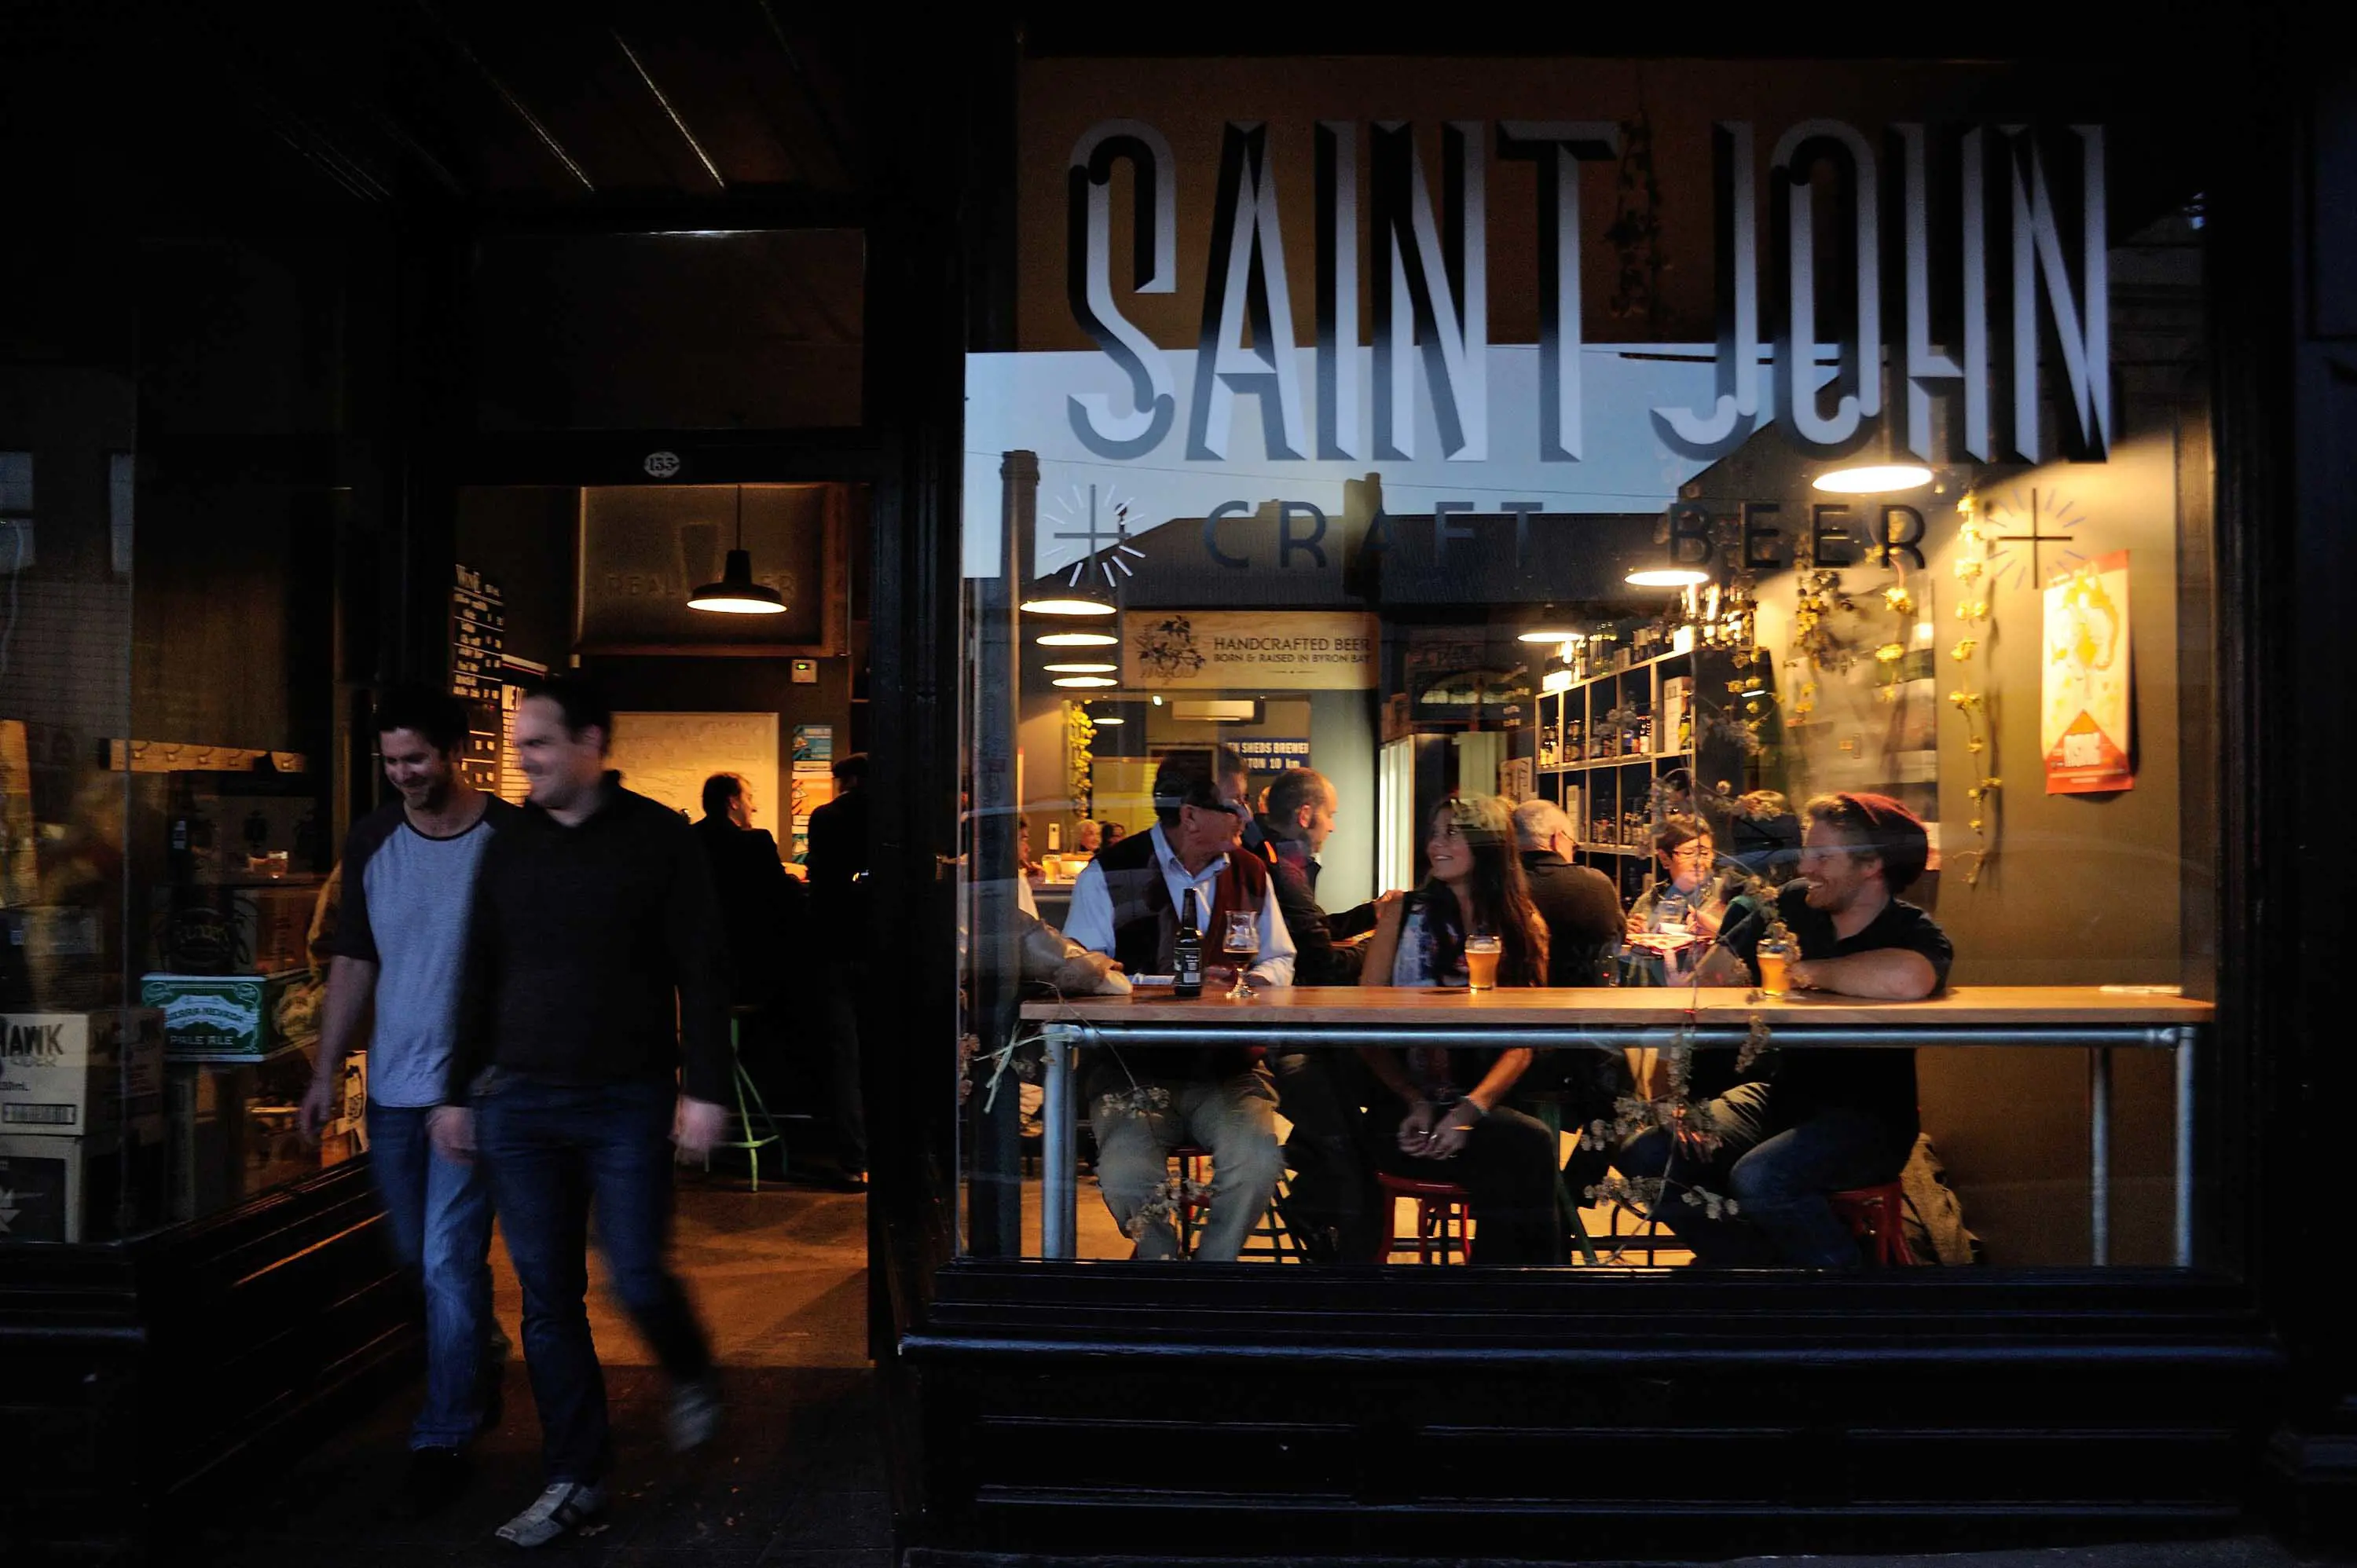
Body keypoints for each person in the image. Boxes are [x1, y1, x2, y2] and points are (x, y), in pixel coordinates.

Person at [433, 677, 731, 1548]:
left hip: (625, 1096)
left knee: (636, 1273)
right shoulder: (511, 841)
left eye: (540, 744)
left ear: (593, 741)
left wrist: (704, 1085)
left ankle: (690, 1366)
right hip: (517, 1100)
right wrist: (456, 1090)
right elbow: (477, 969)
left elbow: (704, 969)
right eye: (519, 745)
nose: (523, 760)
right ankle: (576, 1477)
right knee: (549, 1300)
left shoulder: (658, 838)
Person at [299, 684, 518, 1518]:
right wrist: (325, 1072)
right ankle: (483, 1354)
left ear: (455, 749)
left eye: (417, 759)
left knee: (446, 1260)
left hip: (474, 1092)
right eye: (391, 763)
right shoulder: (374, 838)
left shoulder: (507, 837)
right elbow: (354, 960)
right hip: (393, 1088)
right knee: (412, 1254)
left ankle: (444, 1428)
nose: (404, 776)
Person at [1614, 793, 1952, 1268]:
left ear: (1872, 864)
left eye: (1822, 856)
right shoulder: (1793, 903)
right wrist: (1676, 1087)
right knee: (1648, 1155)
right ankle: (1758, 1272)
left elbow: (1910, 977)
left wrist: (1803, 969)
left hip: (1871, 1120)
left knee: (1761, 1178)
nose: (1805, 864)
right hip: (1781, 1098)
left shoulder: (1909, 928)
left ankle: (1855, 1304)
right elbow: (1711, 978)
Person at [1062, 749, 1294, 1261]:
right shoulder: (1108, 874)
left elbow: (1281, 960)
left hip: (1228, 1069)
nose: (1246, 817)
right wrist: (1169, 986)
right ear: (1190, 814)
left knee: (1258, 1158)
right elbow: (1082, 978)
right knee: (1125, 1173)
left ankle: (1211, 1274)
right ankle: (1160, 1268)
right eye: (1235, 804)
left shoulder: (1252, 872)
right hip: (1133, 1071)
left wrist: (1249, 980)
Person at [1354, 796, 1560, 1265]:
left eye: (1452, 832)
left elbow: (1523, 1042)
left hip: (1485, 1105)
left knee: (1518, 1148)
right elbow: (1364, 1025)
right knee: (1522, 1152)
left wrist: (1471, 1109)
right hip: (1407, 1108)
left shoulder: (1523, 923)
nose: (1435, 844)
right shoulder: (1402, 914)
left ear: (1488, 845)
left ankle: (1507, 1300)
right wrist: (1415, 1100)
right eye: (1434, 832)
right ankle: (1512, 1301)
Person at [1255, 767, 1383, 1261]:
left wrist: (1372, 914)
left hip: (1289, 1033)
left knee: (1353, 1107)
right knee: (1349, 1138)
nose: (1334, 826)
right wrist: (1379, 947)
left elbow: (1313, 929)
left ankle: (1314, 1201)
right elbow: (1319, 959)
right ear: (1306, 815)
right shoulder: (1279, 865)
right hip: (1281, 1040)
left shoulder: (1279, 860)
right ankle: (1339, 1249)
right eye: (1330, 815)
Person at [805, 753, 871, 1188]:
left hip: (834, 947)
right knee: (886, 1051)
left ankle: (855, 1158)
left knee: (845, 1056)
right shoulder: (897, 814)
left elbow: (821, 878)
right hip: (884, 949)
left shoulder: (826, 817)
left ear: (845, 780)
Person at [692, 772, 802, 1009]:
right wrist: (793, 878)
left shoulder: (689, 839)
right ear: (733, 802)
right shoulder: (756, 841)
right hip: (749, 955)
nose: (753, 807)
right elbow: (780, 896)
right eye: (749, 798)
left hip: (701, 956)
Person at [1510, 798, 1623, 987]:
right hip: (1586, 1006)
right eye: (1573, 846)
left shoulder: (1500, 886)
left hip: (1510, 1006)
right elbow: (1615, 940)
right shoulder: (1597, 885)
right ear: (1558, 838)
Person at [1624, 815, 1748, 986]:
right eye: (1689, 853)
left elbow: (1749, 953)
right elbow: (1632, 966)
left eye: (1705, 853)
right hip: (1656, 998)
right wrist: (1628, 933)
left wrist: (1719, 933)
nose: (1699, 862)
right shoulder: (1648, 903)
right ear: (1664, 859)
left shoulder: (1729, 896)